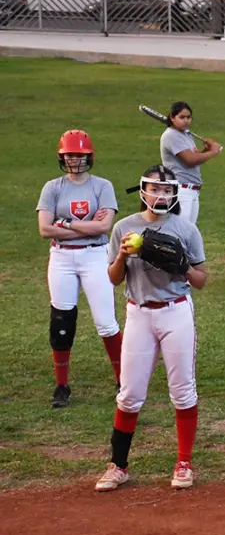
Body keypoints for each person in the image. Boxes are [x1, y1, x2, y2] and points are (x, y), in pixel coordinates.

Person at [94, 165, 207, 492]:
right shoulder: (124, 227)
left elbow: (201, 280)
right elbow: (114, 278)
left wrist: (182, 267)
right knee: (130, 393)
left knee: (183, 390)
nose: (160, 195)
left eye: (167, 190)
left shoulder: (185, 229)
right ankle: (118, 465)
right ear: (143, 190)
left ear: (174, 194)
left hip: (175, 312)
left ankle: (184, 462)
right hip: (139, 314)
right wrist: (121, 257)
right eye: (155, 189)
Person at [36, 130, 122, 407]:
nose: (74, 160)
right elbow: (44, 229)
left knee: (106, 323)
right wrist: (86, 227)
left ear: (89, 157)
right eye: (70, 155)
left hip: (95, 255)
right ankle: (62, 386)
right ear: (62, 157)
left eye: (80, 155)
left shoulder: (102, 186)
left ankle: (123, 381)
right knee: (61, 319)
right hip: (62, 258)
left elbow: (104, 227)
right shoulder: (52, 187)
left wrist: (65, 223)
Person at [158, 101, 222, 224]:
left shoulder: (186, 134)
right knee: (180, 229)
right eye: (182, 117)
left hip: (192, 190)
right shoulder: (171, 136)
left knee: (189, 231)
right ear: (172, 117)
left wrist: (206, 150)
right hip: (180, 190)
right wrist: (213, 152)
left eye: (188, 117)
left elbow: (195, 158)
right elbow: (190, 160)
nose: (186, 121)